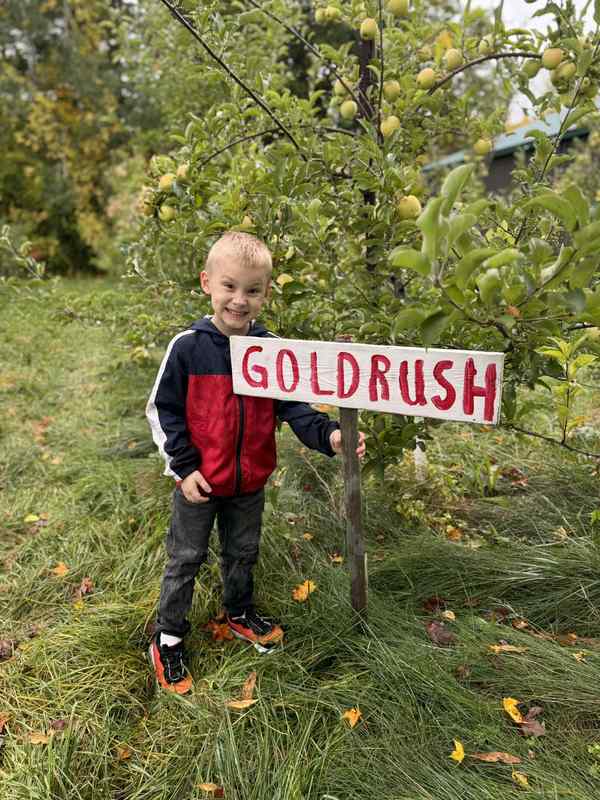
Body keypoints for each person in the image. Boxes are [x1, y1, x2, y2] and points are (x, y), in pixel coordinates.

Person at [146, 231, 366, 694]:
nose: (239, 301)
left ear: (266, 292)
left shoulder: (270, 352)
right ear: (207, 283)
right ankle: (168, 637)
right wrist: (184, 469)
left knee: (242, 552)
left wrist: (330, 436)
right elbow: (163, 410)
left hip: (249, 481)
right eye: (229, 286)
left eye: (252, 290)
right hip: (200, 482)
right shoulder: (188, 347)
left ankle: (239, 610)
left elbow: (294, 408)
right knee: (186, 558)